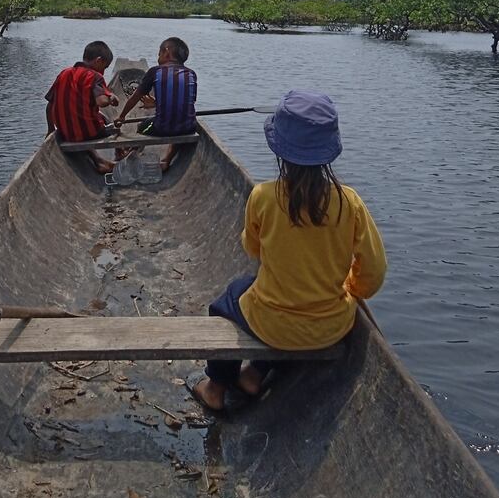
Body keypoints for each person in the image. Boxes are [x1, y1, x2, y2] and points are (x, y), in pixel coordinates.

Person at [190, 89, 387, 411]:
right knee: (274, 300)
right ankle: (254, 374)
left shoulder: (263, 197)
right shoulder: (350, 202)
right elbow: (374, 272)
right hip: (331, 327)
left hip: (272, 325)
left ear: (279, 150)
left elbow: (252, 248)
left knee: (227, 301)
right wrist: (352, 289)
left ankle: (215, 388)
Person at [113, 37, 197, 172]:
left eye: (159, 54)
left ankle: (132, 153)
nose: (158, 57)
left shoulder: (155, 71)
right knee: (181, 124)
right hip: (189, 127)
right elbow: (184, 103)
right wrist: (157, 103)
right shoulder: (191, 73)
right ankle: (167, 159)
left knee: (141, 126)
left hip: (162, 127)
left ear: (166, 52)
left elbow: (135, 98)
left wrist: (121, 116)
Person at [45, 41, 119, 174]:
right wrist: (111, 97)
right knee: (115, 127)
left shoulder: (64, 73)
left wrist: (50, 129)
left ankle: (99, 161)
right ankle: (121, 151)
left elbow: (50, 105)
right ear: (98, 61)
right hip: (91, 133)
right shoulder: (95, 76)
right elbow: (101, 102)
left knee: (84, 123)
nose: (103, 72)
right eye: (105, 67)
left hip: (66, 133)